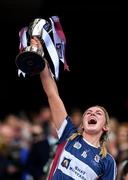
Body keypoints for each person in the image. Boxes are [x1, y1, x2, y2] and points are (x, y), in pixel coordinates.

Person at [32, 37, 117, 180]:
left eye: (98, 113)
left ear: (105, 127)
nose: (92, 114)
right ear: (82, 123)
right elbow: (53, 95)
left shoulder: (108, 162)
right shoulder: (68, 134)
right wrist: (40, 56)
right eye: (88, 112)